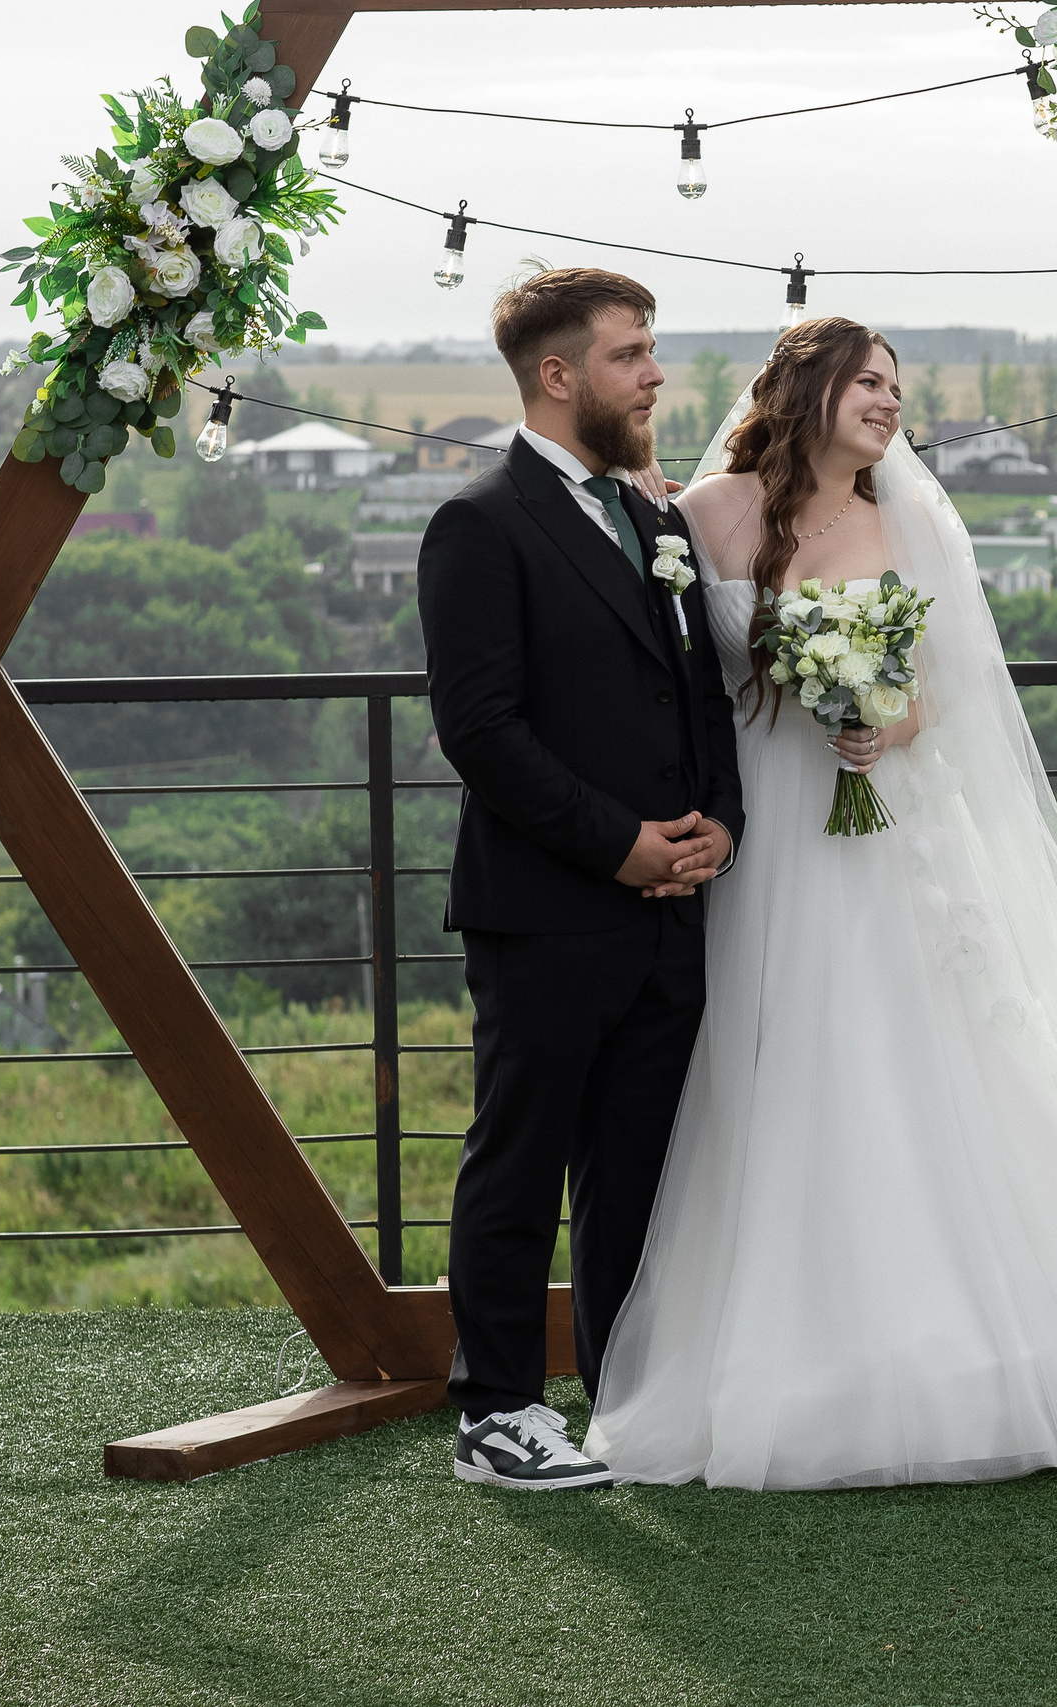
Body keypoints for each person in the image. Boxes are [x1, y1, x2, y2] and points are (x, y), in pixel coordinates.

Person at [580, 319, 1057, 1489]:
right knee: (768, 1066)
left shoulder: (904, 524)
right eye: (869, 383)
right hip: (758, 845)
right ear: (808, 389)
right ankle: (775, 1350)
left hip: (882, 831)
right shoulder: (707, 512)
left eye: (899, 388)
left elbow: (942, 692)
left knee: (908, 1057)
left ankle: (986, 1338)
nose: (891, 405)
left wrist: (879, 719)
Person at [419, 267, 744, 1489]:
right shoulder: (482, 521)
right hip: (550, 909)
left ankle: (628, 1399)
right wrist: (621, 845)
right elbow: (482, 730)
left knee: (638, 1169)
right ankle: (497, 1411)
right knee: (521, 1157)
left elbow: (701, 698)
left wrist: (722, 826)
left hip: (676, 908)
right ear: (557, 377)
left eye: (651, 351)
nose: (656, 375)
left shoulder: (658, 521)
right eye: (631, 355)